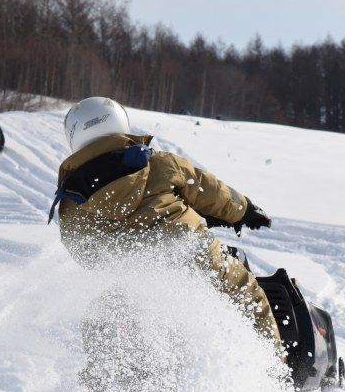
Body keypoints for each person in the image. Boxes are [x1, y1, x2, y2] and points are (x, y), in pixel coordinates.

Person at [52, 96, 283, 355]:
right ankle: (275, 375)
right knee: (248, 296)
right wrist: (245, 210)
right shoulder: (157, 163)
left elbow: (86, 255)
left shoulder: (70, 204)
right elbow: (210, 192)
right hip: (189, 251)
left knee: (103, 328)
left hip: (134, 277)